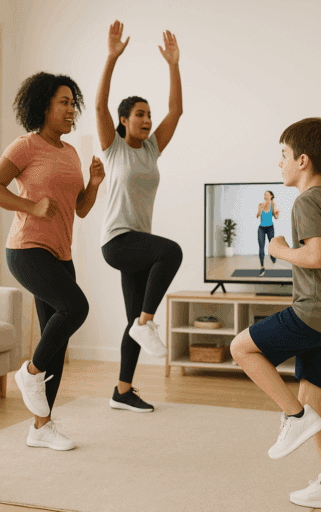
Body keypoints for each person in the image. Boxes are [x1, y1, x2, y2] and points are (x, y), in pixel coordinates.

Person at [230, 118, 321, 511]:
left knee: (240, 348)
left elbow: (316, 257)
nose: (279, 162)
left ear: (302, 161)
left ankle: (292, 416)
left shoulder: (304, 202)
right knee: (315, 402)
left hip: (312, 313)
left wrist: (279, 249)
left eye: (283, 155)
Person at [0, 72, 103, 450]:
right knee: (75, 307)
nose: (71, 110)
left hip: (61, 253)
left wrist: (95, 184)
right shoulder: (26, 146)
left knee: (58, 341)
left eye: (73, 103)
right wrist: (31, 206)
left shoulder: (70, 153)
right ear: (44, 107)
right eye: (63, 103)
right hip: (27, 249)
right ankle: (30, 371)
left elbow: (80, 209)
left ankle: (41, 426)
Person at [96, 20, 183, 412]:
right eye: (140, 115)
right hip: (118, 240)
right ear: (124, 121)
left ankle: (122, 390)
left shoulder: (151, 150)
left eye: (149, 114)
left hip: (136, 244)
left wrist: (173, 65)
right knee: (172, 252)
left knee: (131, 319)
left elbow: (177, 110)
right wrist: (111, 58)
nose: (148, 120)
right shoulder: (113, 148)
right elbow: (99, 105)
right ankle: (147, 322)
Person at [256, 190, 280, 276]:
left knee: (271, 245)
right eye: (264, 195)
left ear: (271, 196)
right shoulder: (261, 205)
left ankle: (272, 256)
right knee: (261, 247)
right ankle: (262, 267)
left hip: (270, 227)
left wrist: (277, 212)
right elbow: (257, 216)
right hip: (261, 228)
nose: (265, 196)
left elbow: (275, 216)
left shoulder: (273, 204)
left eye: (267, 195)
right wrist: (260, 209)